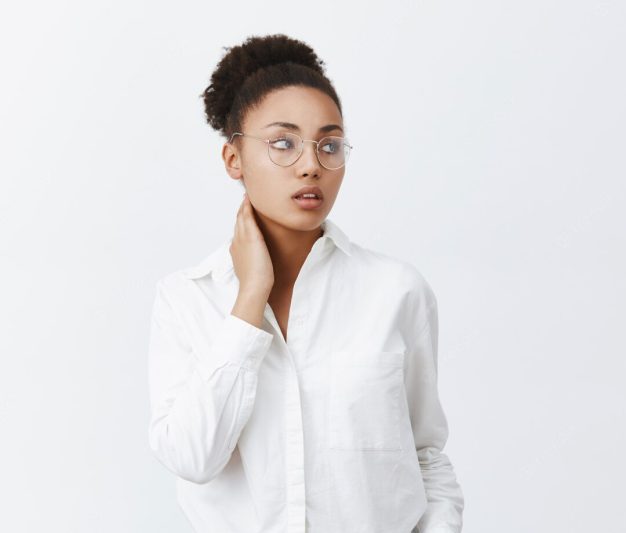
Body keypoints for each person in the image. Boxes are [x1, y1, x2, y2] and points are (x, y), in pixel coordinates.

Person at [146, 33, 464, 533]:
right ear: (233, 159)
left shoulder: (395, 291)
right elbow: (192, 457)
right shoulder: (188, 298)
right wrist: (250, 299)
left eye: (329, 144)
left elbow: (425, 454)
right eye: (283, 143)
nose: (311, 164)